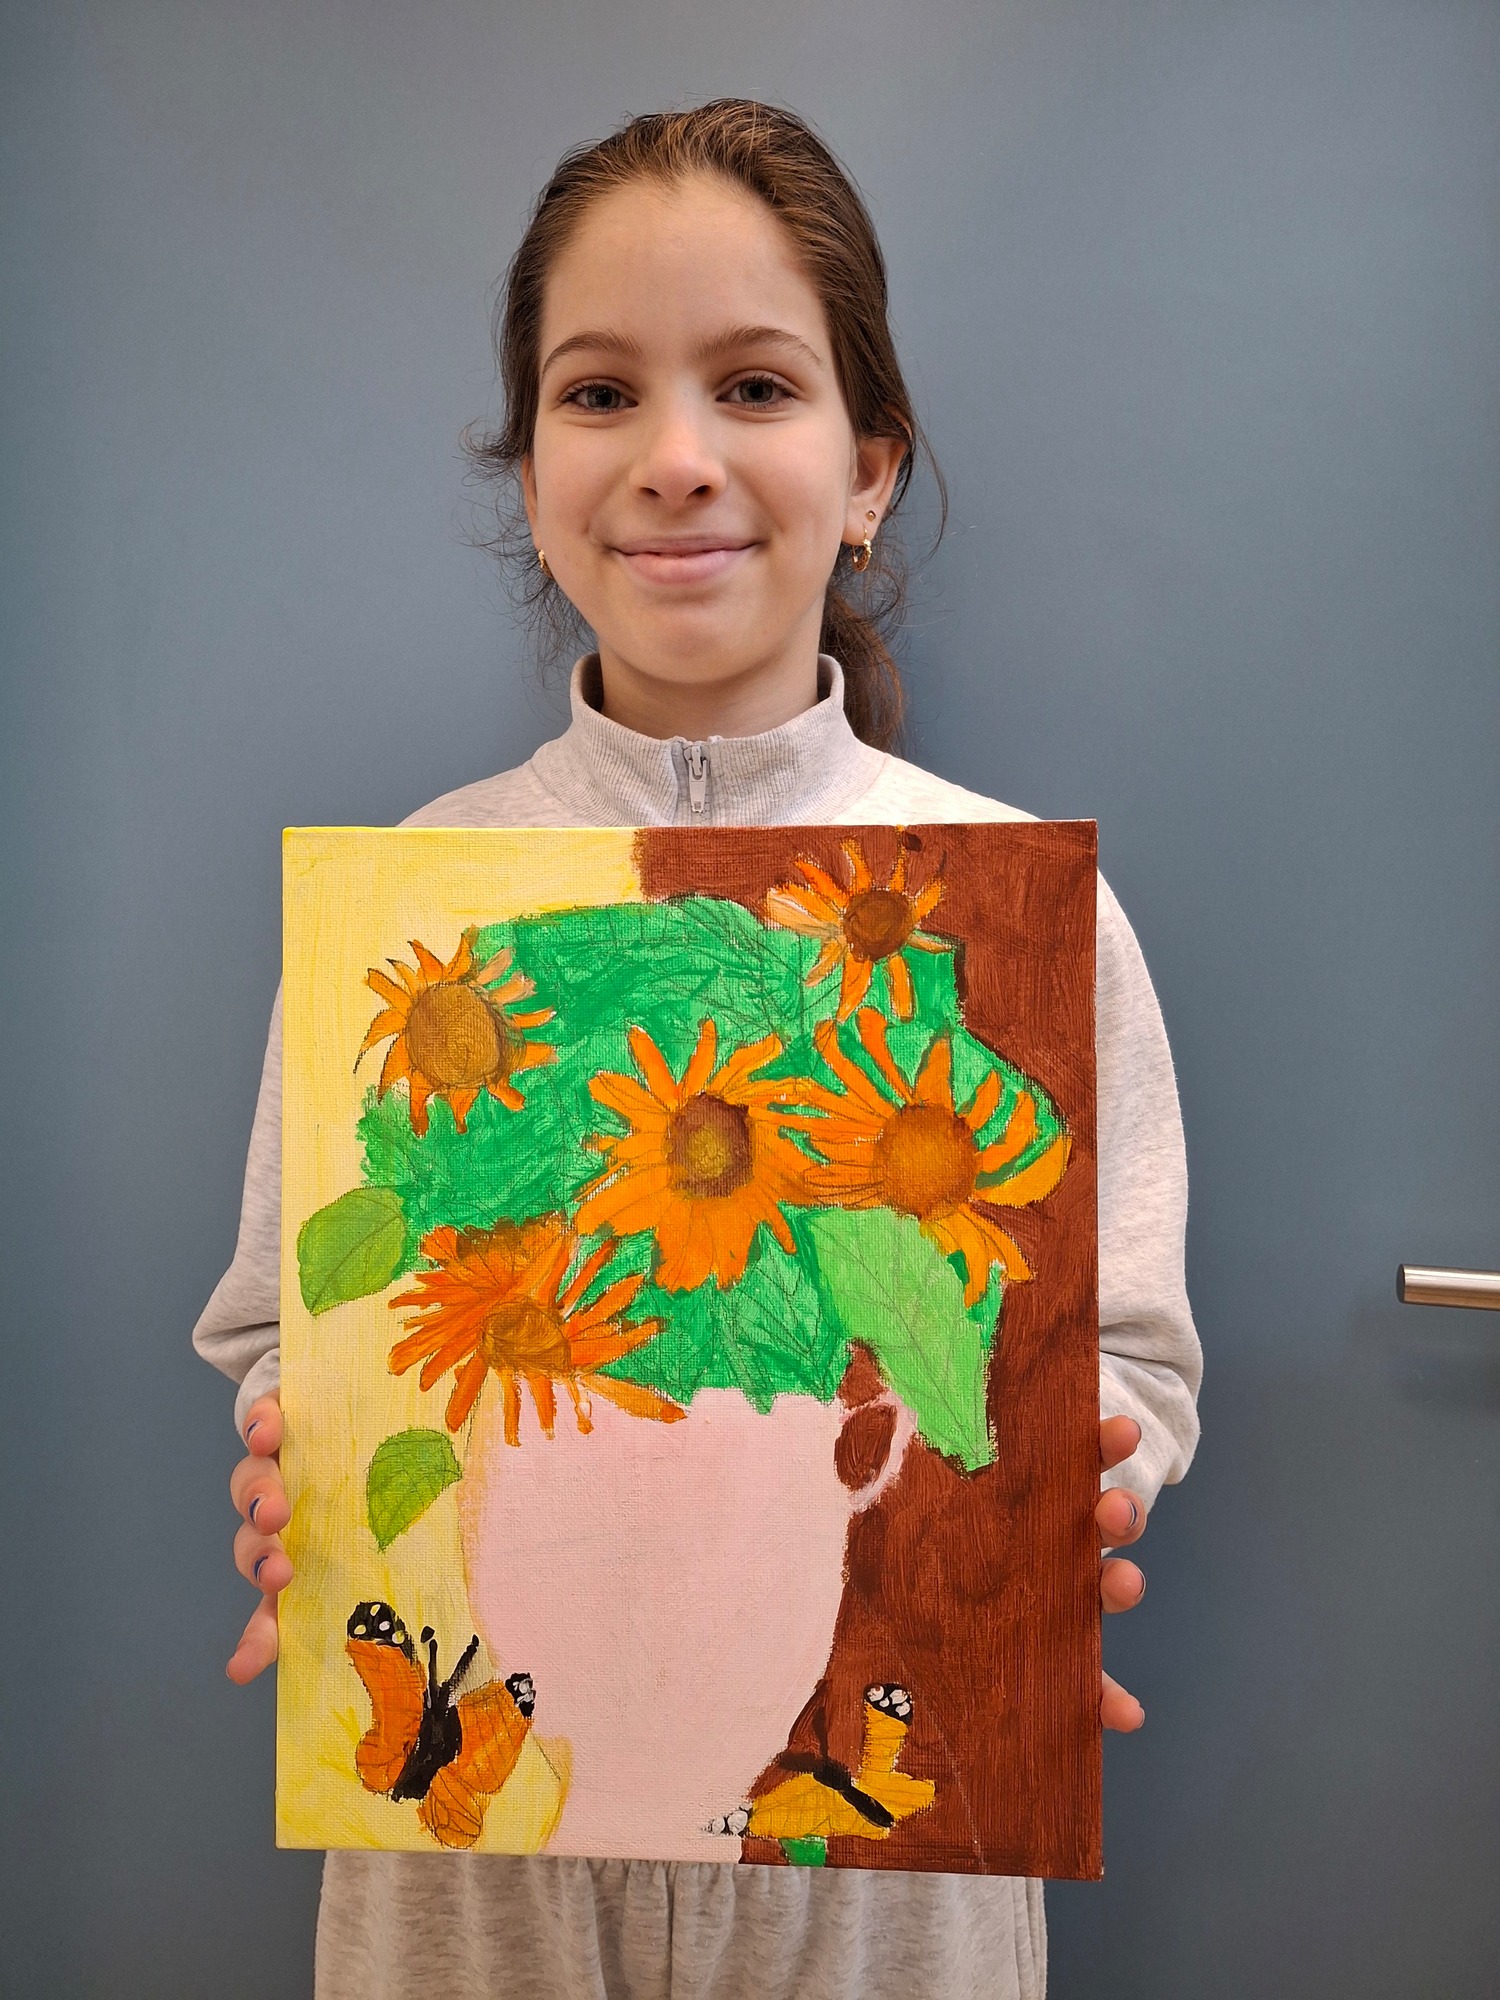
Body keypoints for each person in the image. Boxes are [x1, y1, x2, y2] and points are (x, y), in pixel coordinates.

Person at [195, 97, 1200, 2000]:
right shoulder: (421, 915)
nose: (675, 460)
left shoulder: (1015, 924)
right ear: (530, 475)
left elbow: (1126, 1347)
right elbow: (284, 1314)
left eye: (754, 386)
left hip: (876, 1895)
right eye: (599, 394)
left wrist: (1089, 1477)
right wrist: (289, 1455)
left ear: (869, 466)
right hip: (475, 1890)